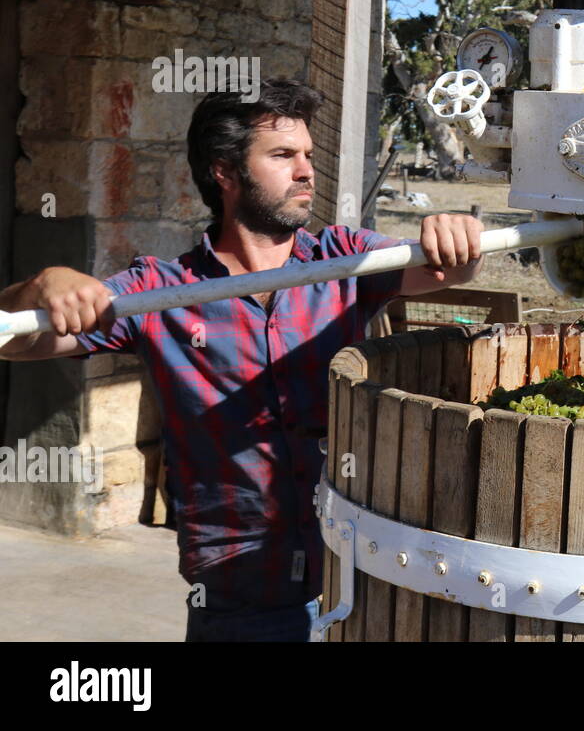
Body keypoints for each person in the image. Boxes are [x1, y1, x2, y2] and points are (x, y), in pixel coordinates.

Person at [0, 80, 483, 641]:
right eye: (282, 156)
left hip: (357, 573)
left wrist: (456, 236)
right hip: (240, 589)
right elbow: (16, 341)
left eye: (307, 155)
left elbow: (445, 270)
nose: (306, 171)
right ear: (224, 172)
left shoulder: (343, 260)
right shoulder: (163, 292)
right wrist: (41, 286)